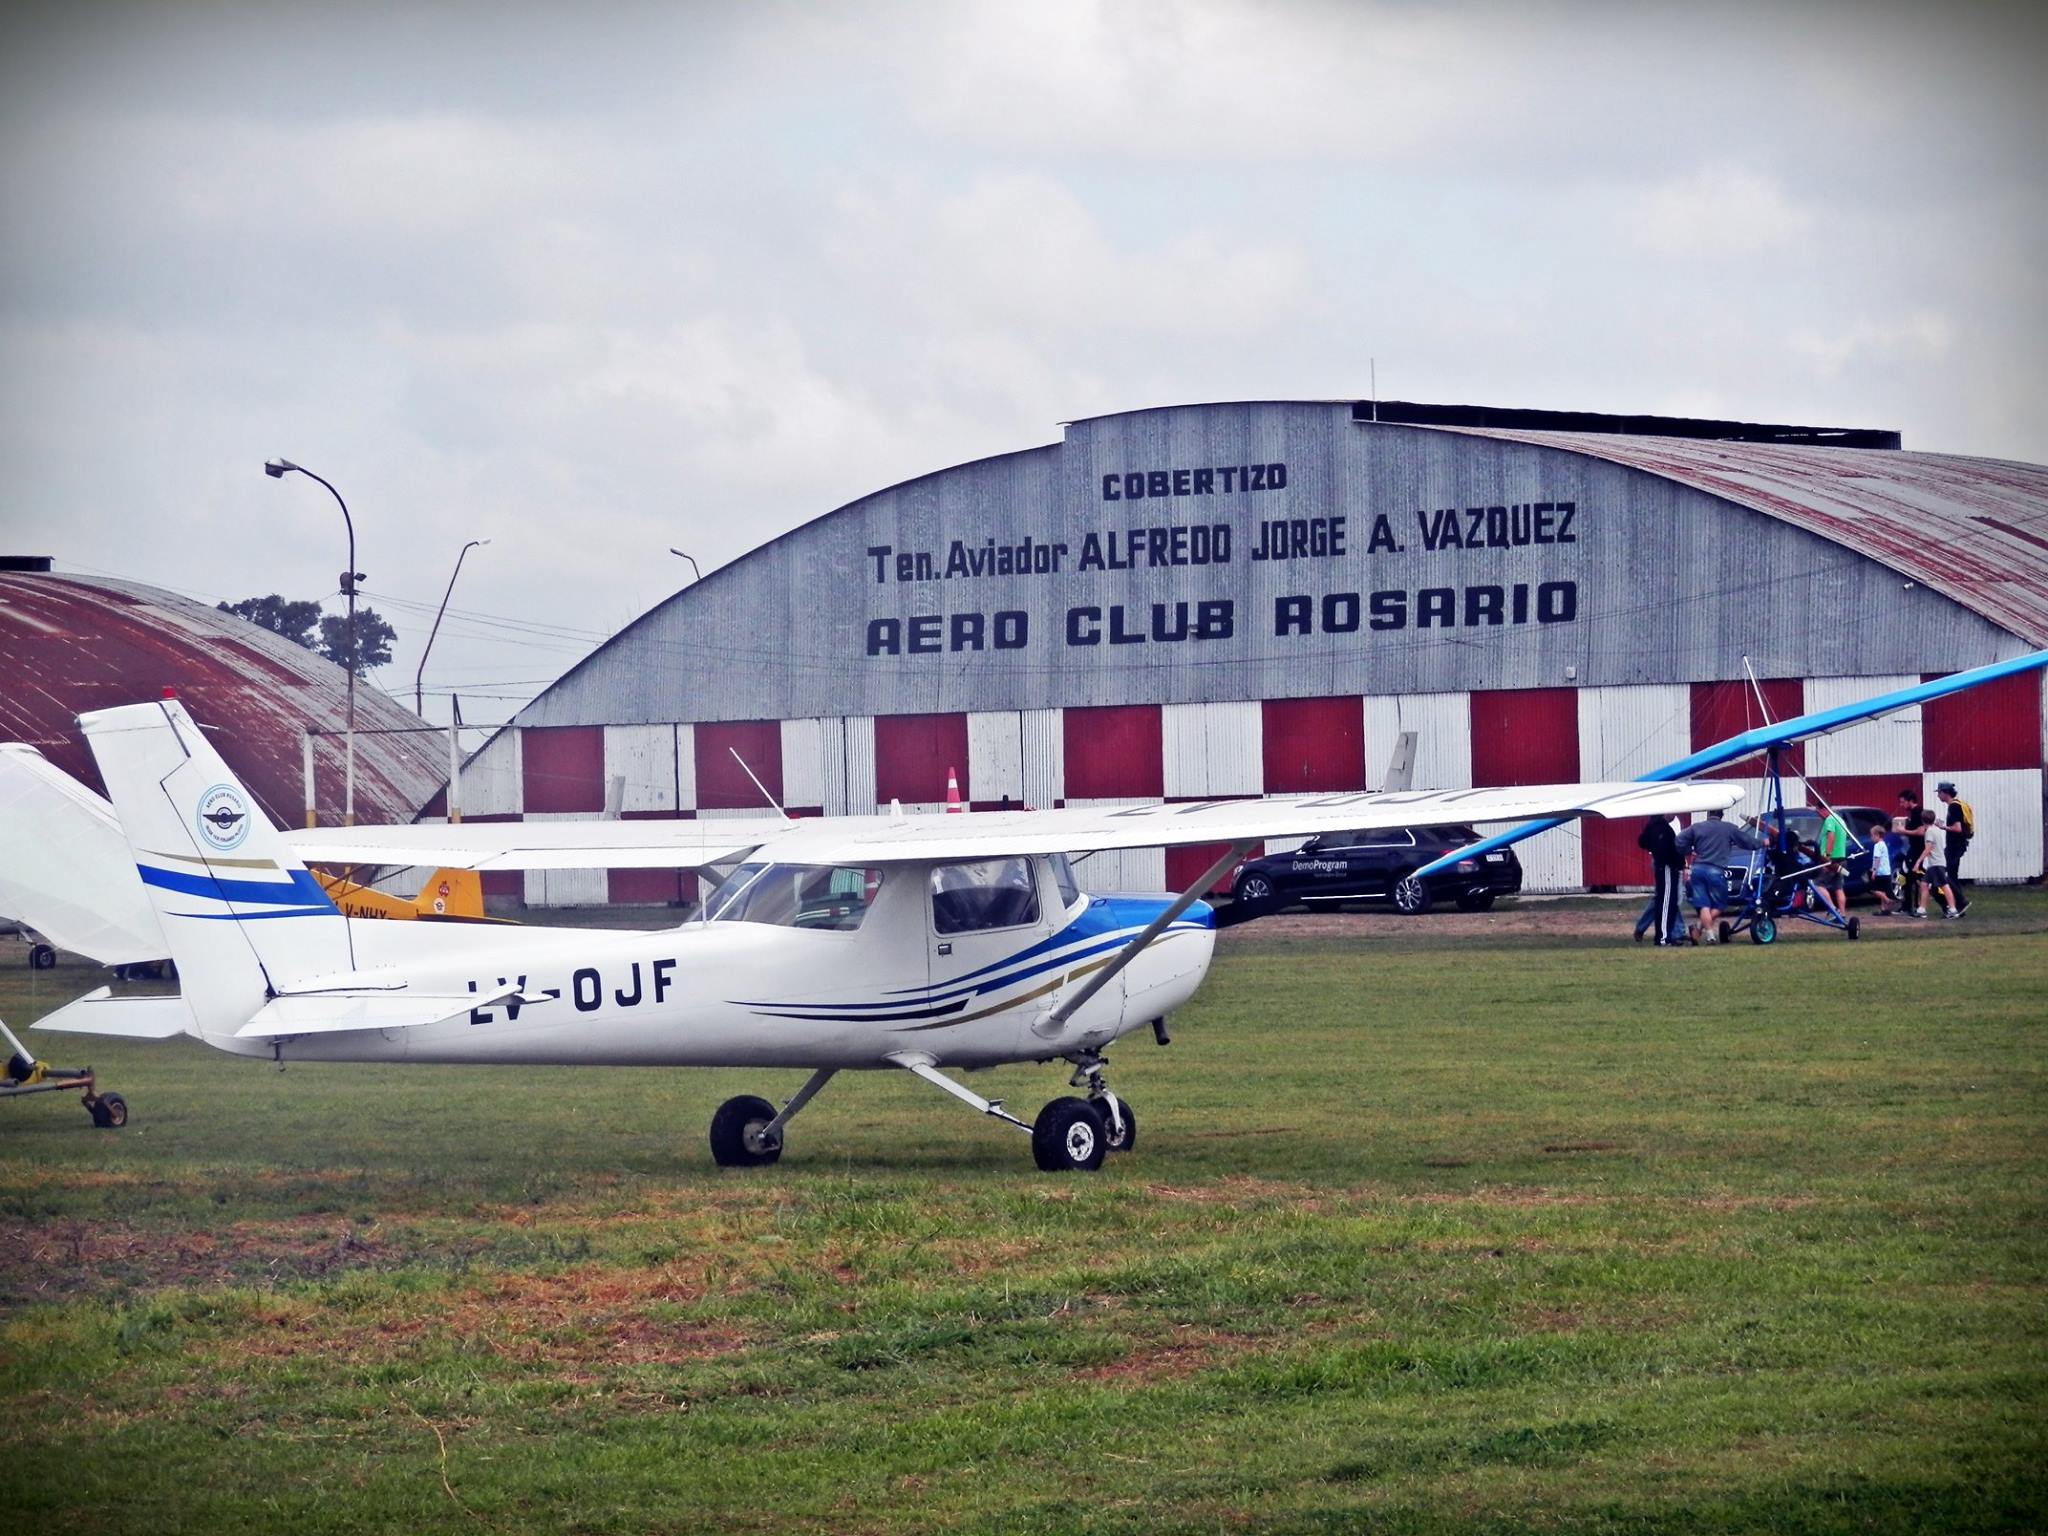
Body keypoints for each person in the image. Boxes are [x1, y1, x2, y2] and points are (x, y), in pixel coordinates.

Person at [1675, 808, 1764, 944]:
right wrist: (1762, 843)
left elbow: (1679, 841)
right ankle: (1702, 931)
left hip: (1697, 870)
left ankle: (1705, 933)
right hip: (1715, 870)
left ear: (1708, 814)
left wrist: (1689, 850)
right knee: (1720, 904)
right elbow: (1746, 841)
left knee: (1704, 904)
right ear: (1721, 815)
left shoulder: (1696, 828)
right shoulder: (1728, 828)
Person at [1633, 815, 1686, 946]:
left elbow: (1642, 841)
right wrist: (1674, 861)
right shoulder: (1662, 828)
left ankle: (1665, 934)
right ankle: (1663, 937)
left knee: (1665, 901)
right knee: (1667, 902)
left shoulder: (1653, 825)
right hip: (1667, 867)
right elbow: (1665, 849)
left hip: (1663, 866)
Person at [1916, 806, 1962, 918]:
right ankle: (1922, 910)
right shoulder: (1936, 829)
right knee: (1924, 884)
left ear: (1922, 820)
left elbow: (1928, 849)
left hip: (1936, 863)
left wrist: (1918, 862)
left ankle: (1953, 909)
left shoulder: (1930, 832)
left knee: (1944, 886)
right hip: (1934, 864)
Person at [1935, 782, 1973, 910]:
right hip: (1958, 845)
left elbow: (1957, 829)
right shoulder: (1957, 805)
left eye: (1939, 792)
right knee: (1952, 875)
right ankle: (1958, 902)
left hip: (1955, 846)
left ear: (1945, 793)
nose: (1938, 796)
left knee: (1948, 876)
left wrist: (1942, 827)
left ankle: (1960, 902)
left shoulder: (1953, 807)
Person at [1811, 804, 1851, 922]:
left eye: (1818, 811)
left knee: (1817, 884)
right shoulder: (1840, 820)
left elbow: (1831, 836)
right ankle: (1842, 914)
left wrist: (1827, 857)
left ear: (1823, 809)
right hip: (1842, 858)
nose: (1818, 815)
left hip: (1832, 859)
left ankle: (1833, 909)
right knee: (1838, 887)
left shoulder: (1829, 820)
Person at [1894, 788, 1925, 917]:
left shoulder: (1918, 812)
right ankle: (1906, 905)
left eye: (1903, 802)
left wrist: (1904, 831)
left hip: (1918, 850)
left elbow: (1921, 831)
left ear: (1910, 801)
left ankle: (1915, 907)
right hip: (1912, 849)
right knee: (1903, 875)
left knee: (1913, 877)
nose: (1901, 805)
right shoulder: (1912, 813)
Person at [1865, 820, 1897, 915]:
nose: (1871, 838)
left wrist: (1874, 870)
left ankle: (1887, 900)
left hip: (1880, 872)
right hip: (1887, 872)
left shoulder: (1877, 846)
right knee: (1883, 890)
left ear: (1877, 835)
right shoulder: (1884, 844)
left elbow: (1877, 858)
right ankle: (1885, 910)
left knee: (1873, 889)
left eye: (1872, 836)